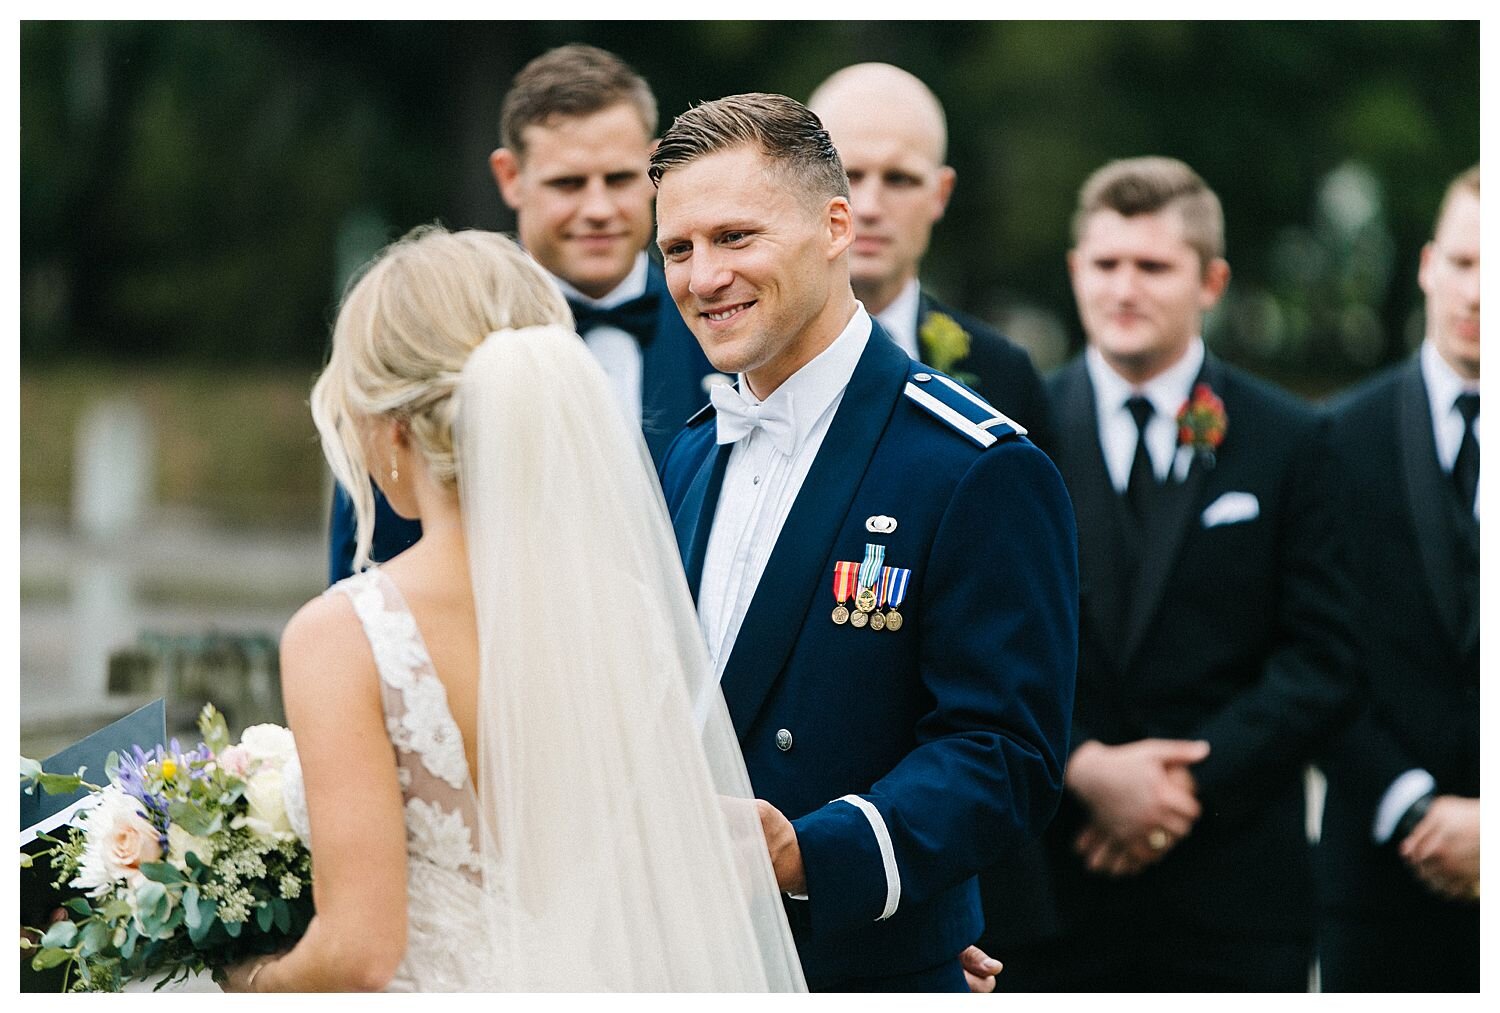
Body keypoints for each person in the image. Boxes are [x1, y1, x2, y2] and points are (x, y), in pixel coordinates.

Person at [222, 227, 804, 991]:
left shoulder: (345, 635)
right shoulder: (628, 610)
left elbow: (360, 952)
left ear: (393, 426)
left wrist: (240, 978)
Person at [650, 93, 1077, 992]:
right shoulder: (692, 449)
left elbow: (1006, 753)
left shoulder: (970, 464)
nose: (702, 276)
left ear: (835, 225)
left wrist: (812, 852)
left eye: (735, 237)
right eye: (678, 249)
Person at [1006, 157, 1356, 990]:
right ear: (1075, 271)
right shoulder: (1011, 433)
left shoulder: (1291, 439)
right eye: (1106, 264)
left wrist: (1178, 787)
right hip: (1053, 890)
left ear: (1212, 281)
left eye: (1153, 266)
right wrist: (1087, 767)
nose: (1124, 288)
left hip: (1233, 897)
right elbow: (983, 644)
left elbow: (1325, 658)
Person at [326, 44, 716, 582]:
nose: (599, 209)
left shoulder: (723, 328)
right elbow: (371, 560)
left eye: (621, 179)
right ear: (510, 176)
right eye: (569, 183)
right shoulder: (430, 338)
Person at [1316, 166, 1479, 991]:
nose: (1477, 295)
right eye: (1462, 263)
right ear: (1425, 265)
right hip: (1375, 884)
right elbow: (1317, 648)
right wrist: (1411, 804)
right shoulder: (1337, 438)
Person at [806, 63, 1052, 452]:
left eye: (899, 178)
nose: (868, 207)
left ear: (941, 193)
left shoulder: (1005, 376)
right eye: (848, 176)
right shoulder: (737, 360)